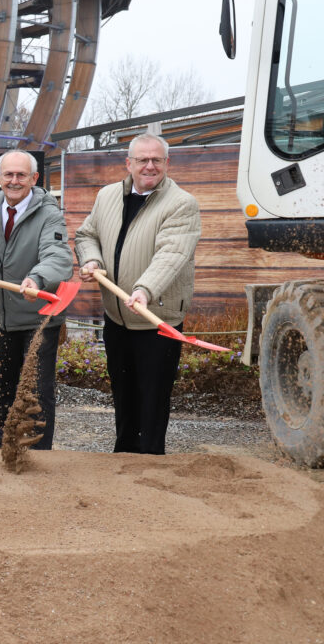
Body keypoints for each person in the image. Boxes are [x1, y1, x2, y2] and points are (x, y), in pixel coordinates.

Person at [75, 133, 201, 455]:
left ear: (167, 163)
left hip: (156, 318)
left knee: (152, 400)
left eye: (156, 160)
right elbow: (87, 234)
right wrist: (92, 259)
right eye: (142, 160)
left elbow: (172, 254)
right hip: (117, 317)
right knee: (124, 394)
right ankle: (124, 460)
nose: (149, 166)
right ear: (128, 163)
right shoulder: (107, 196)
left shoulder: (181, 204)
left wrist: (144, 289)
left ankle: (150, 464)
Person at [0, 150, 72, 450]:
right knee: (4, 389)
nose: (14, 181)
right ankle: (6, 449)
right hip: (2, 316)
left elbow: (58, 256)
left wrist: (37, 277)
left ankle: (37, 455)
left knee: (35, 391)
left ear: (34, 178)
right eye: (7, 175)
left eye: (21, 175)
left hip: (39, 319)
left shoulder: (49, 213)